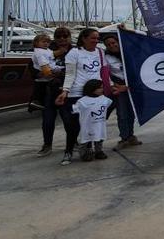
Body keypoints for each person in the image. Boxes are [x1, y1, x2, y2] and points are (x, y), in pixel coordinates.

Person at [55, 28, 104, 166]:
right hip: (76, 94)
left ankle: (90, 150)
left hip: (95, 94)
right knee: (73, 125)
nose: (96, 41)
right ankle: (68, 152)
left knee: (93, 124)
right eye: (93, 38)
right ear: (84, 38)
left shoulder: (100, 52)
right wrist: (65, 91)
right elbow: (70, 74)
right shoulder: (74, 53)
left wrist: (108, 87)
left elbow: (103, 72)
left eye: (97, 38)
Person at [36, 28, 70, 157]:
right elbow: (33, 68)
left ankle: (73, 143)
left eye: (65, 36)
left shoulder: (75, 50)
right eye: (59, 36)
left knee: (69, 120)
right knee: (47, 120)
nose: (62, 38)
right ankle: (47, 145)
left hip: (67, 90)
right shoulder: (45, 50)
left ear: (69, 37)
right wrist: (38, 72)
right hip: (49, 91)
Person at [103, 35, 141, 148]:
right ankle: (124, 138)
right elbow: (106, 74)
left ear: (118, 42)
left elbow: (140, 37)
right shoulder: (106, 57)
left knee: (131, 113)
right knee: (122, 113)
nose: (112, 45)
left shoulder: (128, 52)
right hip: (118, 87)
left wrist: (126, 31)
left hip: (132, 86)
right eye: (108, 44)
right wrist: (113, 85)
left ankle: (131, 136)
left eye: (114, 42)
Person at [72, 79, 112, 162]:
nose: (102, 89)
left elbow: (109, 104)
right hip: (87, 125)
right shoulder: (82, 101)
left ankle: (99, 151)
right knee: (86, 139)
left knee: (99, 137)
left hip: (99, 124)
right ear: (92, 89)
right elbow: (74, 110)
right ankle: (84, 153)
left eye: (102, 87)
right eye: (100, 88)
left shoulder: (104, 99)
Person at [30, 33, 59, 111]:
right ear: (36, 43)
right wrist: (49, 73)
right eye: (43, 42)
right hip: (43, 76)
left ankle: (41, 103)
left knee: (44, 91)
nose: (46, 43)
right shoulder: (39, 52)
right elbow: (43, 64)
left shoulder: (46, 50)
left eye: (48, 42)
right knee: (41, 91)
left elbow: (52, 54)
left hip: (50, 72)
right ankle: (37, 103)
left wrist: (61, 51)